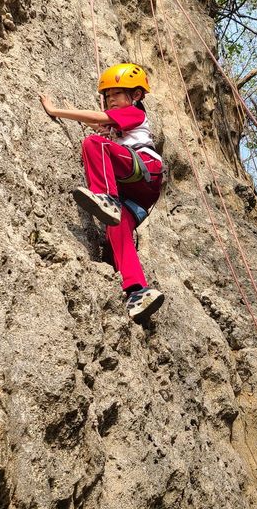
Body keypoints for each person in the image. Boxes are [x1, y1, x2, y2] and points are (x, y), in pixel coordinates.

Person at [40, 63, 165, 323]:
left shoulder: (135, 113)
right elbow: (110, 129)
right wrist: (113, 135)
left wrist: (55, 110)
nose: (110, 100)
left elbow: (98, 120)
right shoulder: (123, 128)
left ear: (136, 96)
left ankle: (105, 196)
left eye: (116, 94)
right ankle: (137, 291)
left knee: (93, 143)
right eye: (107, 96)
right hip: (138, 193)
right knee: (116, 229)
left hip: (145, 169)